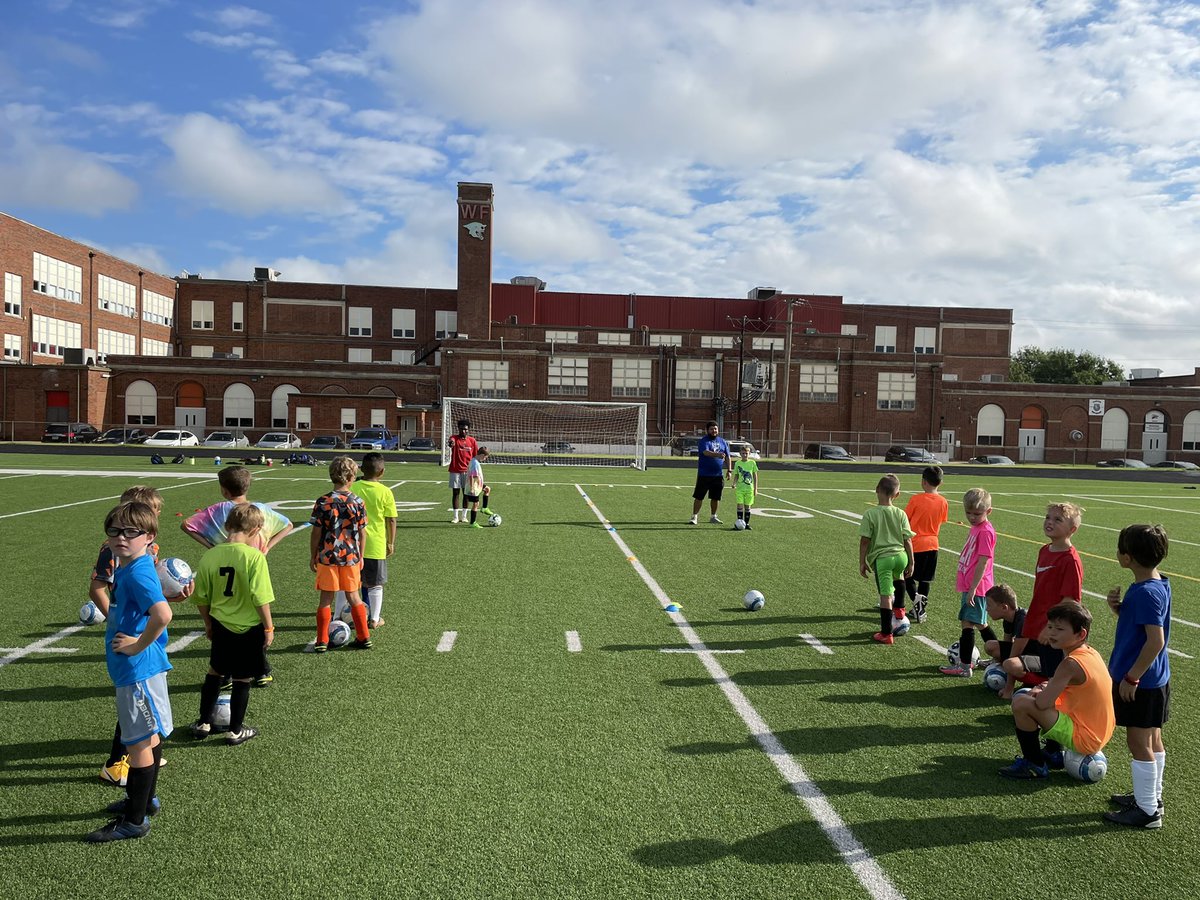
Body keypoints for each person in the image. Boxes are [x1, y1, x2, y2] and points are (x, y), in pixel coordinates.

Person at [86, 501, 173, 842]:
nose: (121, 538)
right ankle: (145, 799)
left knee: (137, 742)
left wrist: (137, 645)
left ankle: (134, 821)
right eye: (114, 531)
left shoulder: (136, 571)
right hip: (136, 669)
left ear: (149, 536)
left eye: (131, 532)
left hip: (137, 670)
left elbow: (162, 614)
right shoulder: (129, 566)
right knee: (147, 736)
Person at [182, 465, 292, 687]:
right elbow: (288, 525)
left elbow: (186, 525)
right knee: (254, 621)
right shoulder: (258, 509)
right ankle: (261, 671)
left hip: (225, 572)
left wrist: (211, 546)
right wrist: (268, 545)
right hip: (252, 569)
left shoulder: (219, 510)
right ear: (248, 485)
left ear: (223, 490)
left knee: (225, 619)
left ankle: (227, 672)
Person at [189, 503, 275, 746]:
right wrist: (268, 627)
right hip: (249, 626)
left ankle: (203, 723)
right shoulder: (254, 557)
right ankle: (235, 730)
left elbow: (201, 597)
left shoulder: (210, 555)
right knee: (242, 678)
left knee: (215, 671)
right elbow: (260, 597)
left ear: (226, 526)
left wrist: (207, 623)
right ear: (256, 529)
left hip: (220, 623)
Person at [999, 601, 1114, 780]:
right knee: (1035, 694)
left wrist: (1038, 691)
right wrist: (1043, 688)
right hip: (1099, 731)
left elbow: (1042, 703)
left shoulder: (1070, 663)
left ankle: (1034, 764)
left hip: (1086, 737)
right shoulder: (1089, 653)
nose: (1051, 632)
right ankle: (1053, 752)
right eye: (1050, 626)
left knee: (1022, 701)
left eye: (1059, 629)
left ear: (1080, 634)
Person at [1104, 524, 1171, 829]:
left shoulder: (1146, 592)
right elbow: (1144, 627)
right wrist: (1121, 610)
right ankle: (1151, 797)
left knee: (1138, 741)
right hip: (1155, 678)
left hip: (1141, 681)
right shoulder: (1155, 584)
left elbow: (1155, 641)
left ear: (1127, 557)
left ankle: (1147, 812)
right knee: (1153, 739)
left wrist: (1131, 677)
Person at [1003, 503, 1085, 688]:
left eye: (1058, 520)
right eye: (1048, 517)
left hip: (1054, 627)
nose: (1050, 522)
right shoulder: (1044, 550)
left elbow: (1070, 601)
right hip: (1037, 619)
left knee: (1055, 671)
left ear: (1072, 529)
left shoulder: (1070, 560)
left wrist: (1051, 628)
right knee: (1044, 667)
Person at [310, 455, 371, 651]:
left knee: (326, 599)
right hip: (351, 556)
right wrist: (360, 556)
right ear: (352, 477)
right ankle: (363, 636)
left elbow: (316, 532)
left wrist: (313, 555)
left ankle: (322, 640)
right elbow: (363, 532)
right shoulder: (358, 502)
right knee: (354, 596)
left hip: (327, 557)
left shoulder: (323, 501)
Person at [940, 488, 996, 676]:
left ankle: (964, 667)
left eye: (977, 514)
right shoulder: (976, 528)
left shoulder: (986, 532)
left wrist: (973, 587)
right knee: (979, 623)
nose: (972, 517)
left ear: (988, 511)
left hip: (977, 587)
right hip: (971, 585)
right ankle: (1000, 658)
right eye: (968, 513)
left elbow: (983, 561)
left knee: (968, 622)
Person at [859, 474, 915, 645]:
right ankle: (900, 609)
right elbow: (908, 539)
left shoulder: (870, 514)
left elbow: (865, 540)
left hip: (883, 559)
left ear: (877, 490)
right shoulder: (901, 513)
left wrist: (862, 561)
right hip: (901, 556)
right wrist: (911, 561)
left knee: (885, 595)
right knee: (899, 578)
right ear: (897, 495)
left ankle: (886, 633)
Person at [899, 465, 949, 622]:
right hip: (933, 544)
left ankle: (916, 603)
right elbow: (941, 520)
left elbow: (905, 519)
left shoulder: (916, 499)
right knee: (925, 578)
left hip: (915, 543)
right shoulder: (943, 502)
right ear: (940, 483)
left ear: (923, 482)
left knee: (906, 575)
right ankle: (919, 609)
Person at [356, 452, 397, 627]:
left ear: (361, 469)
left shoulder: (352, 488)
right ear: (382, 472)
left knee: (352, 582)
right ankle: (374, 618)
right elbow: (391, 519)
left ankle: (343, 615)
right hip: (375, 544)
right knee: (375, 583)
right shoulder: (385, 492)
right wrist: (390, 542)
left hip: (353, 544)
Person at [980, 583, 1027, 699]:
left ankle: (1036, 680)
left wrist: (1008, 688)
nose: (986, 609)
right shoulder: (1008, 618)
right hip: (1027, 653)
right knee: (990, 646)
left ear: (1004, 607)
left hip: (1039, 658)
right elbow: (1007, 645)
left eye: (989, 605)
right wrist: (999, 665)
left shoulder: (1023, 620)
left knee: (1010, 664)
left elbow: (1014, 653)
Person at [689, 421, 731, 525]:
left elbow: (728, 457)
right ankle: (694, 517)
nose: (714, 431)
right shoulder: (704, 441)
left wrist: (729, 470)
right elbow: (705, 452)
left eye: (715, 429)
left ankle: (713, 516)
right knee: (699, 496)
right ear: (707, 430)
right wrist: (717, 454)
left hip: (718, 475)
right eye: (712, 429)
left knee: (716, 497)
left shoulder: (722, 441)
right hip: (704, 474)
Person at [446, 418, 478, 524]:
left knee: (466, 494)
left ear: (468, 430)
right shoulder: (454, 438)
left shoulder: (472, 441)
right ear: (458, 429)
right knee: (455, 493)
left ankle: (464, 516)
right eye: (461, 429)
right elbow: (451, 442)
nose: (463, 431)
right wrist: (451, 443)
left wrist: (474, 471)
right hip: (455, 470)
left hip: (467, 471)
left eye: (465, 429)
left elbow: (475, 457)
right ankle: (455, 516)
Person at [731, 443, 759, 530]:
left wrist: (755, 489)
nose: (745, 455)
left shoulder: (752, 463)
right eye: (743, 453)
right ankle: (739, 522)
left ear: (749, 453)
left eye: (746, 453)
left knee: (747, 507)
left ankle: (746, 524)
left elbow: (755, 476)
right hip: (740, 489)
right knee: (739, 506)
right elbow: (736, 475)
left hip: (749, 489)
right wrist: (734, 483)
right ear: (740, 454)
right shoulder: (737, 463)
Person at [464, 446, 492, 528]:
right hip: (473, 486)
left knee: (487, 489)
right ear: (482, 455)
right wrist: (472, 488)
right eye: (486, 457)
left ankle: (484, 508)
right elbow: (472, 477)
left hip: (477, 485)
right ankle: (473, 523)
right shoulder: (475, 463)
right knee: (476, 504)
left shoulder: (475, 461)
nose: (485, 459)